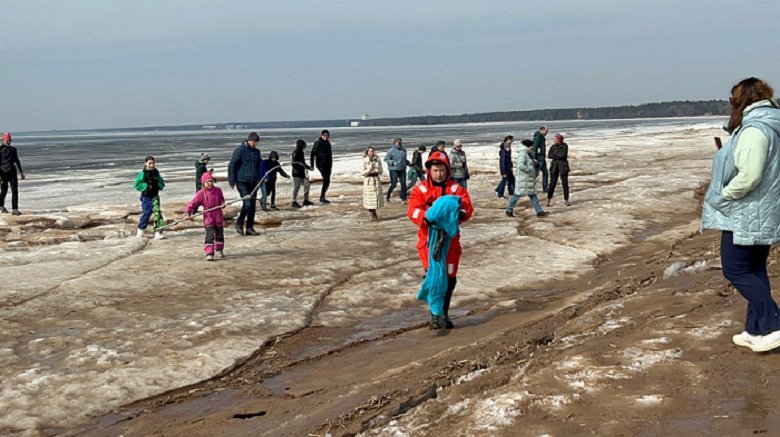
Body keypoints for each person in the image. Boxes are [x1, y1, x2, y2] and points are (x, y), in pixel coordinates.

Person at [702, 77, 780, 353]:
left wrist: (723, 195)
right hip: (761, 211)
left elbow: (749, 176)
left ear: (740, 101)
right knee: (754, 269)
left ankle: (772, 324)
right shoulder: (770, 124)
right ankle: (755, 330)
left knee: (735, 269)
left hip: (748, 212)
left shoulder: (754, 130)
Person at [407, 151, 474, 330]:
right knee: (433, 278)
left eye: (442, 170)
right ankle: (434, 317)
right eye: (436, 170)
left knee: (450, 280)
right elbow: (412, 211)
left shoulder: (456, 189)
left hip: (450, 245)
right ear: (429, 171)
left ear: (447, 171)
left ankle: (443, 313)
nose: (439, 174)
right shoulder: (420, 190)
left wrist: (459, 214)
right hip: (428, 244)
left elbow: (467, 207)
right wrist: (426, 217)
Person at [185, 172, 227, 261]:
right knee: (210, 234)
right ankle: (209, 253)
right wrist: (187, 212)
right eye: (207, 181)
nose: (209, 183)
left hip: (218, 215)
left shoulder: (218, 190)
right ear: (203, 183)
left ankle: (219, 250)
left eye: (211, 181)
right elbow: (193, 203)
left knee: (219, 234)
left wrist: (223, 204)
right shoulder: (201, 193)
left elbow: (222, 199)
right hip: (208, 216)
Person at [228, 132, 262, 235]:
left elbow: (258, 166)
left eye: (257, 142)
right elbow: (232, 165)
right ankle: (239, 223)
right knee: (247, 204)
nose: (255, 144)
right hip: (241, 181)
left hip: (253, 182)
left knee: (252, 206)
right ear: (249, 140)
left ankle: (249, 228)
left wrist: (259, 178)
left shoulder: (257, 152)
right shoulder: (240, 150)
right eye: (254, 142)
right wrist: (232, 180)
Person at [506, 139, 547, 217]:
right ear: (528, 146)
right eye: (532, 146)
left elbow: (526, 163)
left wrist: (533, 162)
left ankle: (539, 211)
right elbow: (521, 166)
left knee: (532, 194)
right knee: (517, 194)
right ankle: (509, 210)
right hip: (523, 179)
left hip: (526, 179)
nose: (533, 147)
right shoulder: (523, 154)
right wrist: (530, 170)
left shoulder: (527, 153)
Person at [133, 155, 166, 239]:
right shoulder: (143, 173)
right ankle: (140, 229)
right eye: (150, 163)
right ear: (146, 163)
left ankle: (158, 232)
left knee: (157, 214)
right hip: (146, 197)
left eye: (153, 163)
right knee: (147, 213)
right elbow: (136, 184)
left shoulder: (156, 172)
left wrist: (158, 186)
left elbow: (161, 182)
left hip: (155, 196)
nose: (151, 165)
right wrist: (146, 186)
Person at [0, 132, 25, 215]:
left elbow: (17, 161)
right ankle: (1, 206)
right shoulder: (0, 150)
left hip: (12, 172)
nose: (8, 141)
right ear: (3, 140)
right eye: (7, 140)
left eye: (9, 140)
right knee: (4, 191)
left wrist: (21, 172)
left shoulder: (13, 149)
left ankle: (15, 209)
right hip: (3, 173)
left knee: (15, 191)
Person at [546, 133, 571, 207]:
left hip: (563, 166)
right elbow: (549, 155)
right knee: (552, 184)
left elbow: (562, 155)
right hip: (554, 167)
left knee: (565, 184)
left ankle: (566, 200)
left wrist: (555, 156)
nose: (553, 140)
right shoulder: (553, 146)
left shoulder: (564, 146)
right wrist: (556, 156)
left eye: (555, 139)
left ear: (559, 139)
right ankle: (548, 199)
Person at [310, 129, 333, 204]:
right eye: (325, 135)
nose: (326, 137)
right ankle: (322, 197)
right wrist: (312, 165)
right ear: (322, 135)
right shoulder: (318, 143)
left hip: (328, 165)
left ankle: (322, 196)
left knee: (327, 181)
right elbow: (312, 154)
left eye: (327, 135)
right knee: (326, 179)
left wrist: (331, 164)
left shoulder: (328, 143)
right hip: (321, 165)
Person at [361, 146, 384, 220]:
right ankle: (372, 214)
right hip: (368, 180)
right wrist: (368, 170)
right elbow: (362, 172)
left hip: (376, 179)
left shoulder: (377, 159)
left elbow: (381, 170)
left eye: (373, 151)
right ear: (367, 152)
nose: (371, 153)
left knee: (376, 197)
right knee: (370, 198)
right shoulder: (364, 160)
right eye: (370, 151)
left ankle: (374, 213)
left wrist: (377, 170)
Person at [384, 137, 409, 203]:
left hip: (402, 169)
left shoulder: (404, 150)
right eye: (398, 142)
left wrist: (409, 163)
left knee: (403, 184)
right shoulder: (391, 150)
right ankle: (388, 196)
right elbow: (386, 159)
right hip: (393, 170)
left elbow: (404, 160)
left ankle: (404, 198)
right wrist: (392, 162)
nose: (399, 143)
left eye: (400, 142)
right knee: (394, 184)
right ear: (394, 143)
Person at [291, 139, 314, 208]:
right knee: (296, 187)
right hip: (296, 173)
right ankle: (294, 202)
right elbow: (293, 163)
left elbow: (303, 163)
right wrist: (301, 167)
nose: (305, 147)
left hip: (302, 173)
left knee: (307, 186)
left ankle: (305, 200)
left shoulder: (301, 152)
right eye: (304, 145)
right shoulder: (296, 152)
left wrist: (309, 167)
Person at [533, 125, 549, 192]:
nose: (547, 132)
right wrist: (534, 158)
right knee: (535, 174)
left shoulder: (542, 137)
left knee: (545, 173)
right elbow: (535, 148)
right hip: (538, 159)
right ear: (542, 130)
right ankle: (529, 188)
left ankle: (545, 188)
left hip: (542, 158)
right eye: (546, 131)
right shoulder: (538, 137)